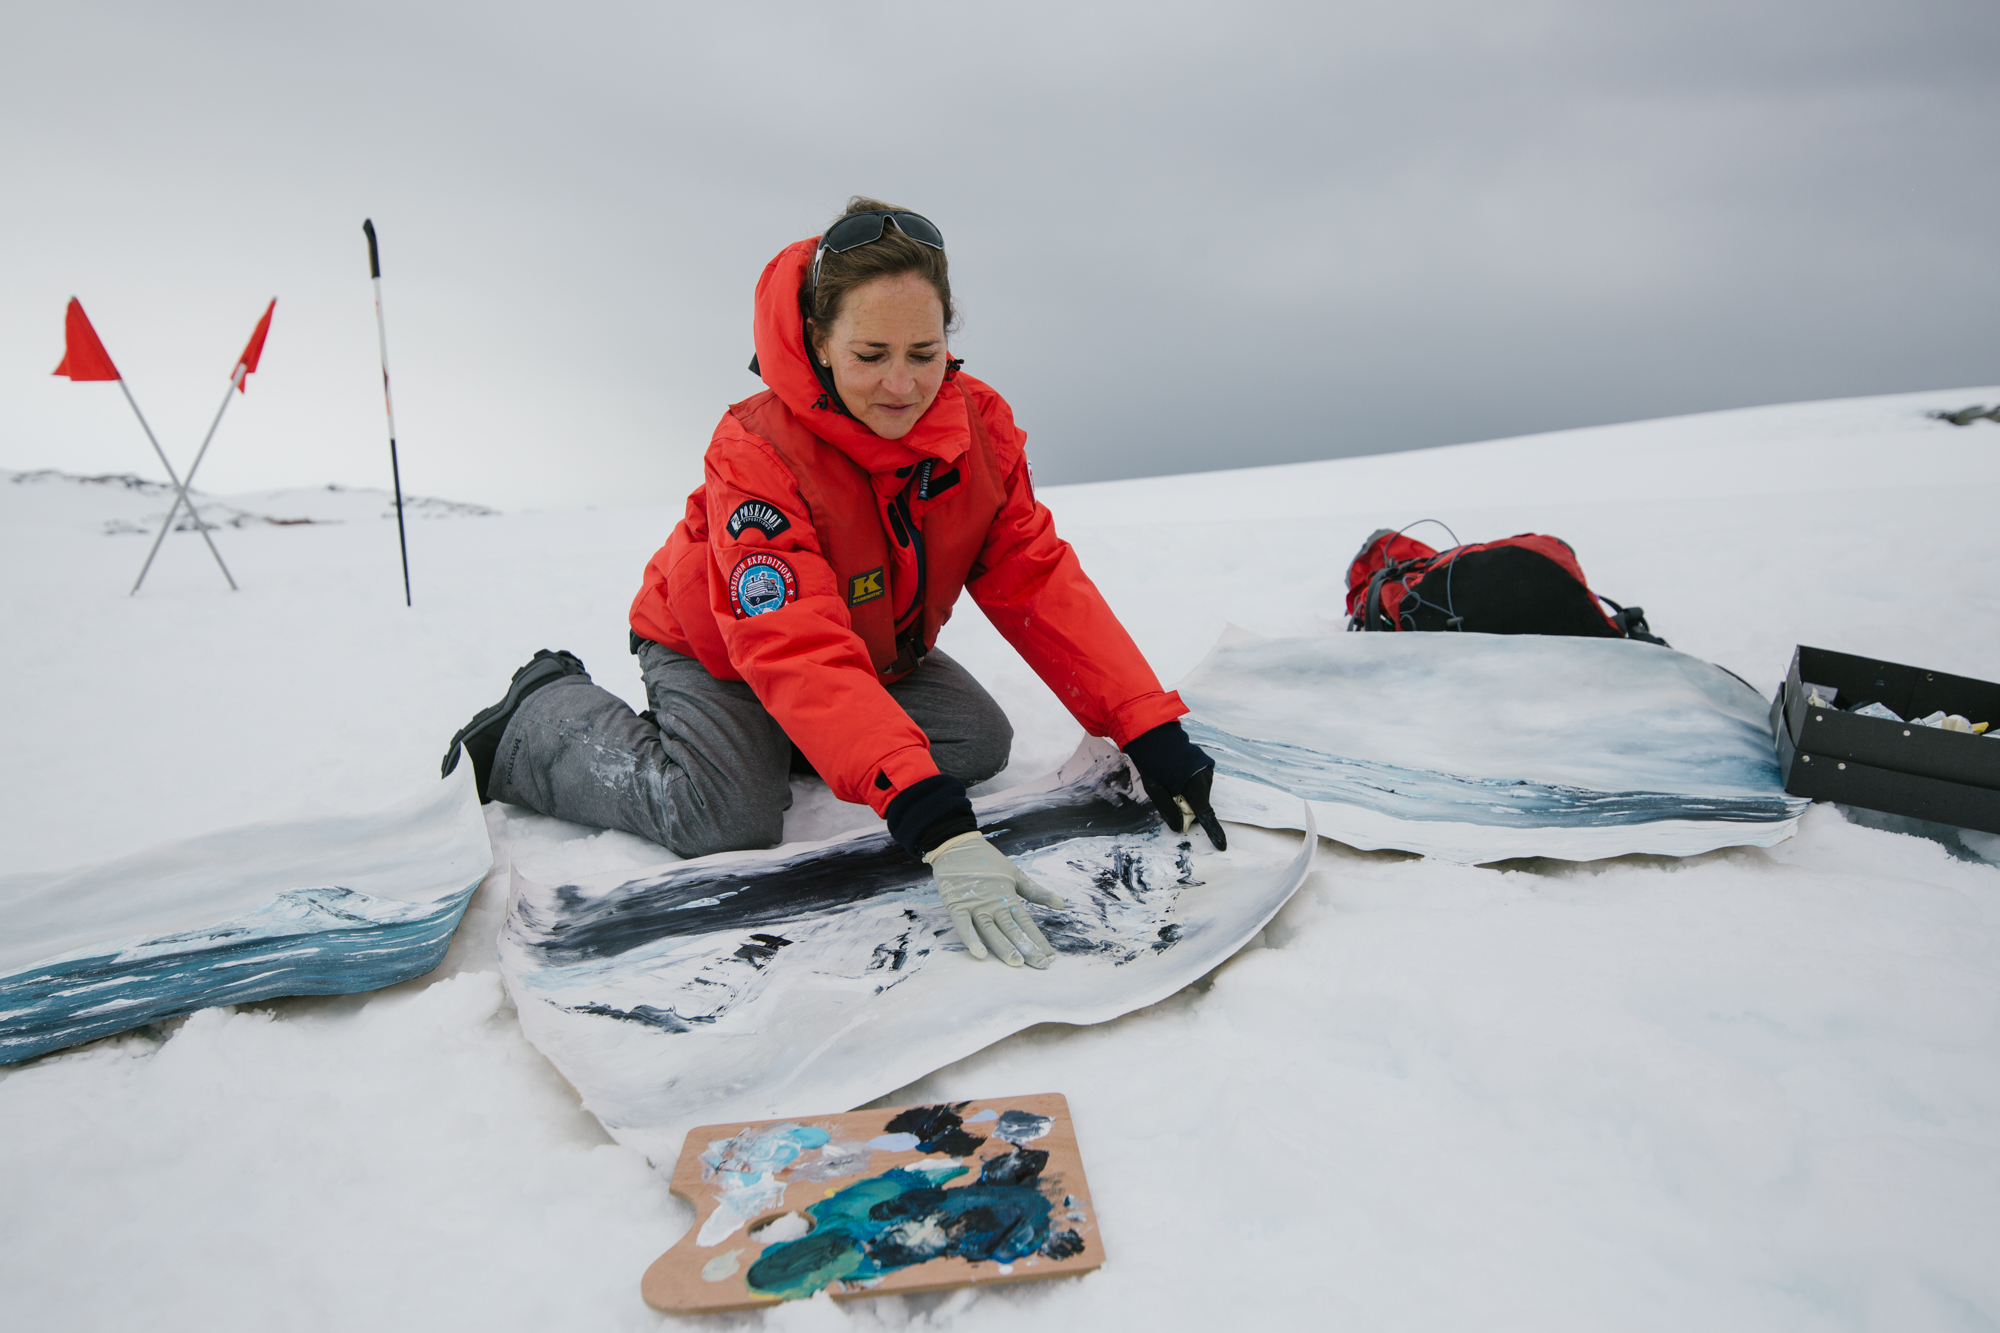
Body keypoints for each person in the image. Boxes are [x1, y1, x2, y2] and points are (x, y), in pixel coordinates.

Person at [442, 198, 1224, 971]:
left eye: (924, 352)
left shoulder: (978, 431)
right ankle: (539, 717)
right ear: (819, 342)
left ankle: (800, 736)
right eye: (870, 354)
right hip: (719, 648)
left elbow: (1037, 580)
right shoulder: (755, 449)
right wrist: (937, 827)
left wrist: (1147, 728)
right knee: (727, 815)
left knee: (976, 743)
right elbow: (792, 640)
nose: (902, 383)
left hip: (866, 647)